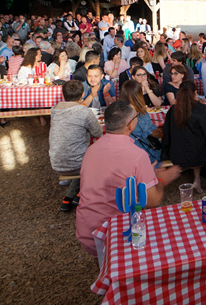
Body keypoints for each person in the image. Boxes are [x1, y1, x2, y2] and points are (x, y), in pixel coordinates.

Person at [77, 101, 181, 264]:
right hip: (114, 232)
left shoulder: (92, 149)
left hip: (85, 230)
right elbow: (152, 200)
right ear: (130, 125)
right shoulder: (137, 155)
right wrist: (162, 180)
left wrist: (147, 172)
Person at [49, 80, 103, 211]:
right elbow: (97, 132)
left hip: (56, 162)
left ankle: (69, 197)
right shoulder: (83, 111)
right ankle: (82, 194)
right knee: (97, 158)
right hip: (77, 164)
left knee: (79, 157)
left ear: (63, 95)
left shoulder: (54, 109)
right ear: (83, 94)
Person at [163, 80, 206, 192]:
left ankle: (197, 180)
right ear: (195, 93)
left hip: (178, 154)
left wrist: (165, 153)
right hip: (198, 155)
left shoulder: (172, 110)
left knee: (198, 141)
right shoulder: (203, 110)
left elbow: (166, 136)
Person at [119, 79, 160, 162]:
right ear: (139, 95)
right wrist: (161, 131)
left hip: (124, 155)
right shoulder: (140, 114)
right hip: (143, 154)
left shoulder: (117, 112)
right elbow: (154, 133)